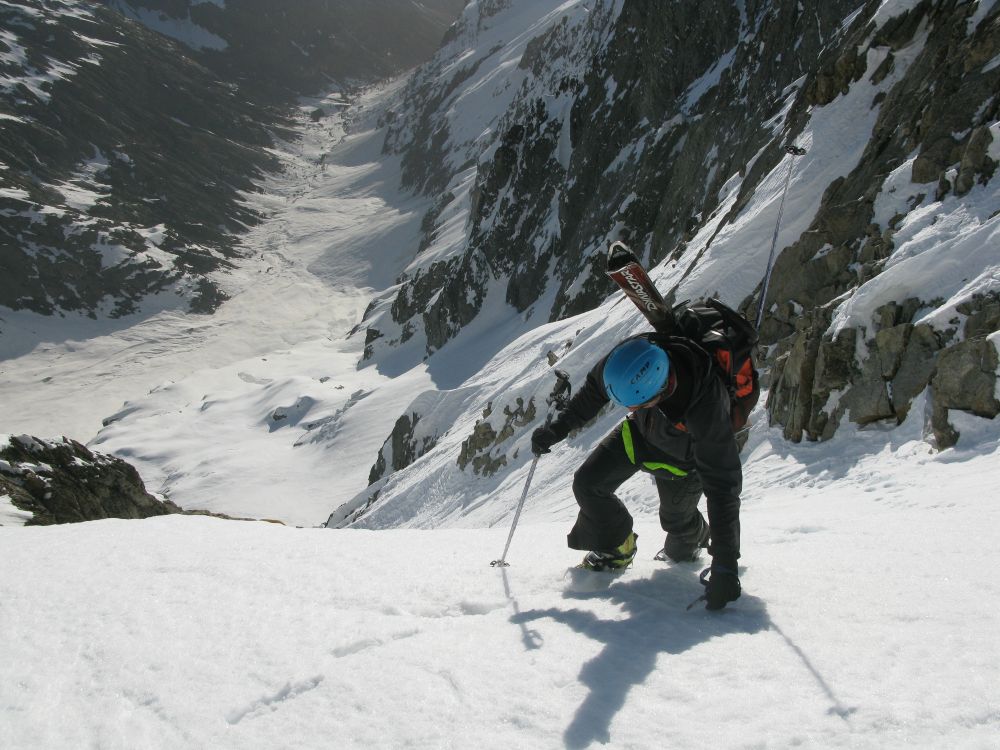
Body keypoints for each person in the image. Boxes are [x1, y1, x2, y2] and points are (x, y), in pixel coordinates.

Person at [531, 332, 743, 610]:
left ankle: (695, 535)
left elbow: (723, 486)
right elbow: (596, 389)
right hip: (640, 435)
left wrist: (725, 564)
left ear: (660, 392)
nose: (628, 408)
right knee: (588, 483)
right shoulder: (629, 358)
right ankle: (617, 547)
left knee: (677, 531)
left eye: (634, 404)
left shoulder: (706, 410)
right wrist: (558, 429)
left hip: (683, 463)